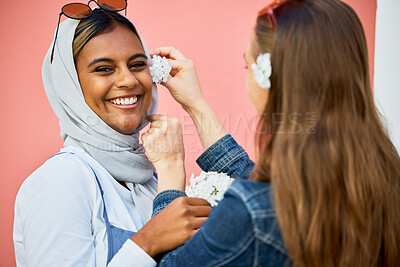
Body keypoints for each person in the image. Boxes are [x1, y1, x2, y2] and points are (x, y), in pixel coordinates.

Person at [140, 0, 400, 266]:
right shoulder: (383, 179)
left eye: (247, 66)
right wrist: (197, 106)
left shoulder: (251, 213)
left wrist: (171, 172)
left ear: (268, 77)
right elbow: (269, 191)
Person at [13, 4, 211, 267]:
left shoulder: (149, 180)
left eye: (137, 64)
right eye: (104, 69)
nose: (128, 80)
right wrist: (148, 241)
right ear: (69, 85)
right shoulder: (61, 180)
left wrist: (196, 105)